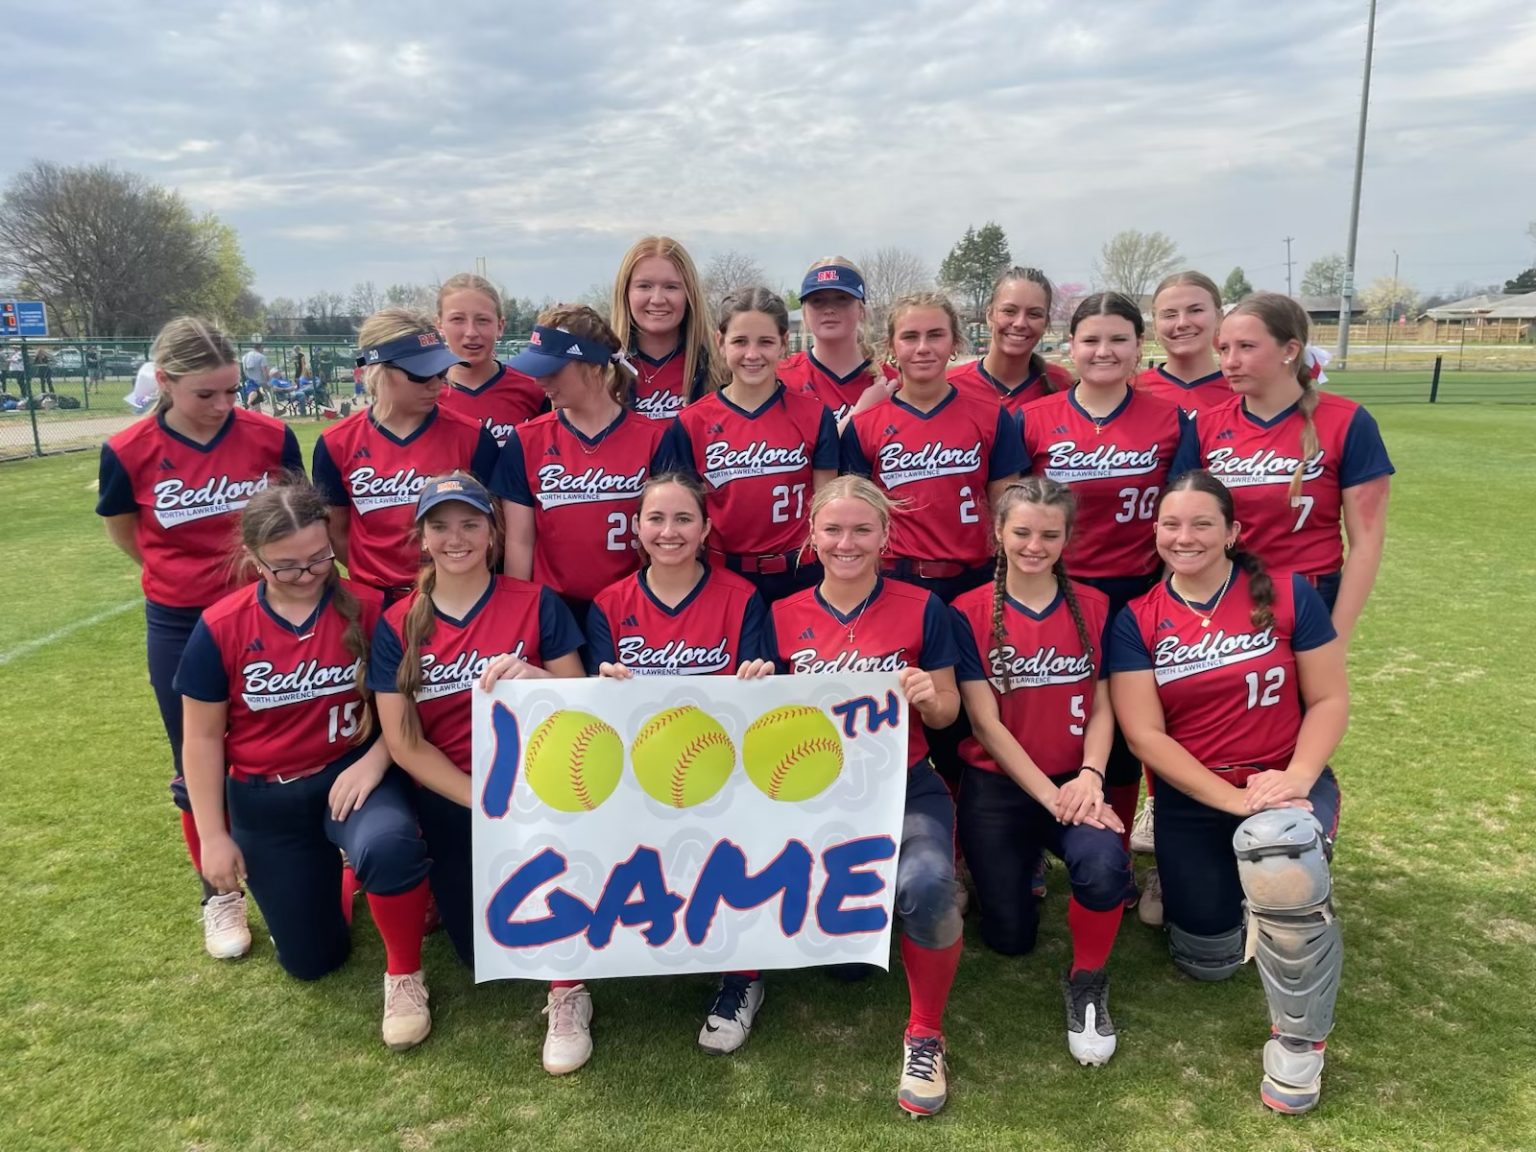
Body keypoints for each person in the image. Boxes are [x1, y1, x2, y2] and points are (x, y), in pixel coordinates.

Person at [1108, 470, 1349, 1115]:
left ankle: (1298, 1045)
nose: (1184, 537)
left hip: (1283, 783)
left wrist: (1297, 779)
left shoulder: (1290, 594)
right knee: (1207, 961)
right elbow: (1144, 735)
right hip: (1195, 798)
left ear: (1233, 532)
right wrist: (1232, 799)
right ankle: (1234, 890)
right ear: (1155, 531)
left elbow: (1329, 699)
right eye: (1171, 524)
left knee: (1278, 847)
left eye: (1202, 524)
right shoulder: (1138, 618)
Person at [175, 479, 434, 1049]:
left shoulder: (370, 608)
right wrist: (213, 836)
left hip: (352, 778)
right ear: (254, 558)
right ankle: (339, 879)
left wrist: (377, 758)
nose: (309, 573)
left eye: (319, 557)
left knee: (388, 846)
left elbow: (414, 703)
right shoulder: (221, 624)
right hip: (266, 798)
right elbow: (201, 738)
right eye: (287, 566)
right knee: (313, 961)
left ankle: (404, 974)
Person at [95, 316, 303, 959]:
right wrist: (179, 579)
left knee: (291, 736)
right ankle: (219, 895)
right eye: (204, 393)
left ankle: (306, 864)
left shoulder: (270, 435)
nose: (221, 405)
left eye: (231, 391)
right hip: (181, 621)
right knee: (195, 756)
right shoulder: (128, 449)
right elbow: (127, 532)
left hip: (270, 610)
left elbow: (299, 520)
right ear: (163, 381)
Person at [764, 476, 964, 1117]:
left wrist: (930, 697)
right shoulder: (781, 614)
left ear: (885, 535)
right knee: (847, 965)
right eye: (832, 530)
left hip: (905, 784)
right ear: (811, 535)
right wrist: (753, 685)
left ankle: (925, 1033)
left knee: (928, 885)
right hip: (815, 797)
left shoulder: (923, 607)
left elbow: (948, 711)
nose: (845, 543)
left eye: (861, 530)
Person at [368, 475, 586, 1057]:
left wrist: (538, 678)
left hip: (541, 787)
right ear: (422, 537)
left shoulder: (535, 601)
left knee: (556, 914)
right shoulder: (397, 623)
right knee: (478, 949)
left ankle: (569, 988)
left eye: (470, 524)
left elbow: (583, 703)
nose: (456, 538)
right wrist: (483, 802)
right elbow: (405, 742)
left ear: (492, 533)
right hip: (455, 795)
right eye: (440, 526)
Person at [1017, 291, 1199, 923]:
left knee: (1127, 730)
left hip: (1134, 594)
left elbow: (1183, 512)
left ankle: (1116, 851)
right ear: (1070, 346)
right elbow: (1012, 512)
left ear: (1138, 346)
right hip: (1054, 592)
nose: (1103, 351)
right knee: (1036, 713)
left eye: (1118, 339)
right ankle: (1029, 844)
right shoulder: (1033, 419)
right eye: (1090, 339)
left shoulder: (1170, 419)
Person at [582, 473, 774, 1058]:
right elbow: (595, 711)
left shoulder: (742, 597)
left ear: (706, 528)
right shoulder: (608, 603)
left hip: (724, 772)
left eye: (684, 519)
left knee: (740, 847)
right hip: (638, 774)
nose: (669, 532)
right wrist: (602, 684)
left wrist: (760, 680)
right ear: (636, 527)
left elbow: (762, 704)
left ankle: (744, 976)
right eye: (656, 519)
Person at [950, 477, 1130, 1066]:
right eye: (1022, 532)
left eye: (1049, 535)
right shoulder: (966, 611)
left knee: (1104, 867)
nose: (1035, 545)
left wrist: (1091, 776)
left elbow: (1103, 705)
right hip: (999, 788)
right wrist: (1052, 798)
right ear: (998, 534)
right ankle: (1020, 864)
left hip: (1075, 781)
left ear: (1067, 538)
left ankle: (1088, 980)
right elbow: (985, 725)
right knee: (1010, 939)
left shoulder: (1096, 606)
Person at [1201, 293, 1393, 642]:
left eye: (1246, 347)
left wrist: (1335, 636)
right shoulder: (1206, 425)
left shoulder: (1348, 422)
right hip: (1225, 593)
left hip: (1310, 594)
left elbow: (1367, 543)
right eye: (1224, 349)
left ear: (1290, 350)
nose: (1230, 361)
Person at [490, 306, 675, 630]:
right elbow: (520, 542)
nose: (540, 380)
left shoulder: (654, 438)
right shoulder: (527, 439)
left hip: (636, 605)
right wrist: (520, 616)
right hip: (555, 610)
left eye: (552, 370)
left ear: (593, 365)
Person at [841, 291, 1023, 606]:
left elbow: (1007, 511)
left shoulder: (991, 416)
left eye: (936, 335)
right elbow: (857, 517)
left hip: (975, 577)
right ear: (891, 347)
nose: (923, 347)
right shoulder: (864, 426)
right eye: (910, 337)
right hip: (896, 579)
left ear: (955, 344)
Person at [312, 309, 500, 603]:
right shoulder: (336, 443)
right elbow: (337, 532)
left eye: (440, 372)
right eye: (421, 374)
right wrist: (379, 579)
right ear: (377, 368)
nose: (435, 384)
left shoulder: (473, 437)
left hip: (455, 598)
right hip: (374, 603)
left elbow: (494, 529)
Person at [666, 287, 838, 602]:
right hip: (723, 576)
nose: (752, 354)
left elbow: (827, 507)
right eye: (740, 341)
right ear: (721, 342)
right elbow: (683, 511)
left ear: (784, 343)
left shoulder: (814, 415)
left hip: (802, 573)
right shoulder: (692, 423)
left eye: (766, 342)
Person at [609, 236, 719, 421]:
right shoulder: (598, 373)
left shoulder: (719, 370)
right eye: (644, 286)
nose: (657, 299)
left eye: (671, 287)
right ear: (625, 292)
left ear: (689, 294)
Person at [778, 256, 897, 426]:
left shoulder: (890, 382)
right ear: (804, 312)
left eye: (842, 299)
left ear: (861, 309)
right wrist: (862, 412)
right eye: (817, 300)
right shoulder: (781, 377)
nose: (829, 309)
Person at [435, 273, 545, 446]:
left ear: (500, 326)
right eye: (457, 319)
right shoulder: (424, 395)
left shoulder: (534, 390)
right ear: (440, 325)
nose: (471, 332)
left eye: (482, 320)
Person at [948, 267, 1072, 414]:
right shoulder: (951, 386)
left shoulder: (1061, 384)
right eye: (1009, 311)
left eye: (1034, 314)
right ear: (989, 315)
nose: (1020, 323)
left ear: (1046, 323)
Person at [1136, 272, 1233, 417]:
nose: (1182, 323)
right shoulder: (1131, 391)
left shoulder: (1246, 392)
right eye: (1170, 315)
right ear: (1155, 326)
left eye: (1196, 310)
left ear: (1219, 317)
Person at [241, 340, 269, 408]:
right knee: (271, 389)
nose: (263, 350)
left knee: (255, 399)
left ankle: (251, 404)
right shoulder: (261, 357)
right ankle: (275, 408)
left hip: (250, 380)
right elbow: (264, 370)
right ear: (260, 348)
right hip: (260, 381)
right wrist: (268, 380)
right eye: (262, 348)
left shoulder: (245, 357)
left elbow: (244, 370)